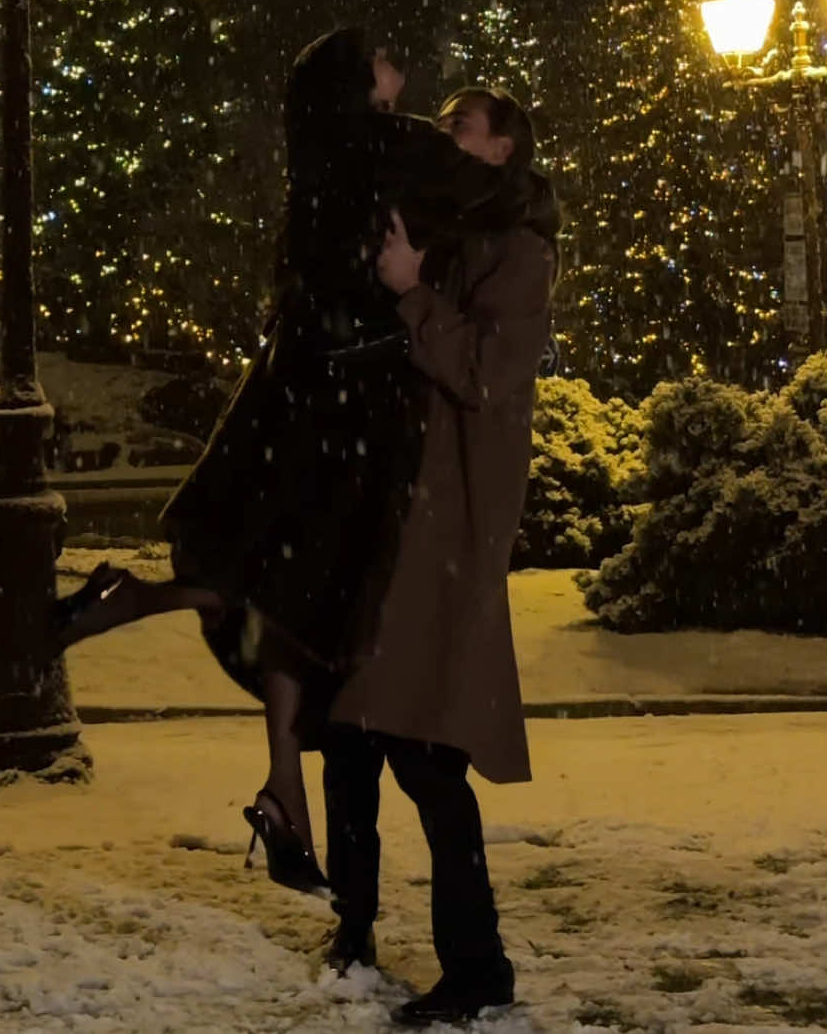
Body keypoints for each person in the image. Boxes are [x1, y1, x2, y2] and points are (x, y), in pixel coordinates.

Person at [54, 32, 516, 894]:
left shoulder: (315, 151)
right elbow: (490, 191)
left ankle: (281, 784)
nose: (400, 67)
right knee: (306, 602)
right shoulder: (383, 144)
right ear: (356, 79)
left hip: (299, 396)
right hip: (351, 412)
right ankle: (272, 771)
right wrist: (504, 184)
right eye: (385, 57)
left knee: (278, 592)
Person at [320, 85, 559, 1027]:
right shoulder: (449, 234)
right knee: (357, 730)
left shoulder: (518, 252)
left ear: (501, 151)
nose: (445, 137)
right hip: (399, 526)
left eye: (463, 127)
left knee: (424, 752)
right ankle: (356, 927)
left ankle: (478, 966)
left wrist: (413, 288)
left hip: (446, 534)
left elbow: (485, 374)